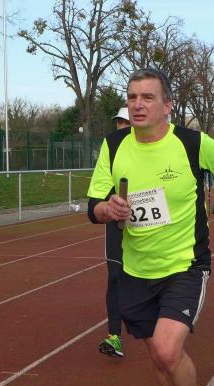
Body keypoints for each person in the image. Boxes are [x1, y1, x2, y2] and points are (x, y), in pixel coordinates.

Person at [86, 67, 214, 386]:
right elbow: (93, 206)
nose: (138, 105)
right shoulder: (114, 145)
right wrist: (108, 209)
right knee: (159, 357)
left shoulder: (192, 143)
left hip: (185, 264)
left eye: (148, 97)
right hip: (136, 269)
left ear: (167, 106)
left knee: (166, 347)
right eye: (132, 97)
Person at [97, 108, 131, 358]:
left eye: (126, 123)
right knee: (115, 277)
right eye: (119, 123)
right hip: (116, 223)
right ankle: (114, 335)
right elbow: (97, 195)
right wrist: (106, 206)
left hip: (148, 229)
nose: (122, 127)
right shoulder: (109, 150)